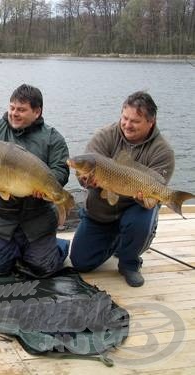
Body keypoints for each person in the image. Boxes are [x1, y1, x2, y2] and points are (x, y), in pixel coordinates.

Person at [70, 91, 175, 287]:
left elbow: (157, 189)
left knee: (144, 214)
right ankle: (116, 241)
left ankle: (130, 263)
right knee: (81, 262)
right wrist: (86, 181)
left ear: (151, 122)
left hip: (135, 208)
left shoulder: (163, 151)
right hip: (101, 211)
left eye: (134, 121)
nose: (127, 124)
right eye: (124, 118)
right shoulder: (104, 136)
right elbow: (81, 174)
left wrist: (147, 198)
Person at [0, 84, 70, 277]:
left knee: (44, 268)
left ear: (37, 112)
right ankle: (14, 249)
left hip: (37, 217)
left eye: (21, 109)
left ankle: (58, 246)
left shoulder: (53, 138)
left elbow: (61, 170)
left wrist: (45, 186)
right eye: (12, 108)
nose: (14, 113)